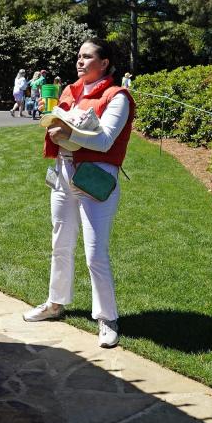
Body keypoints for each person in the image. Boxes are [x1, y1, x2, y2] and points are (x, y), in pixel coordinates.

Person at [22, 39, 135, 348]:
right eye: (79, 56)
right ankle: (55, 303)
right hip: (62, 176)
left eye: (88, 57)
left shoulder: (117, 96)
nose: (80, 61)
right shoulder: (71, 91)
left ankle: (107, 318)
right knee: (60, 243)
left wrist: (69, 133)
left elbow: (105, 142)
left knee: (95, 252)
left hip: (94, 179)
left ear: (105, 63)